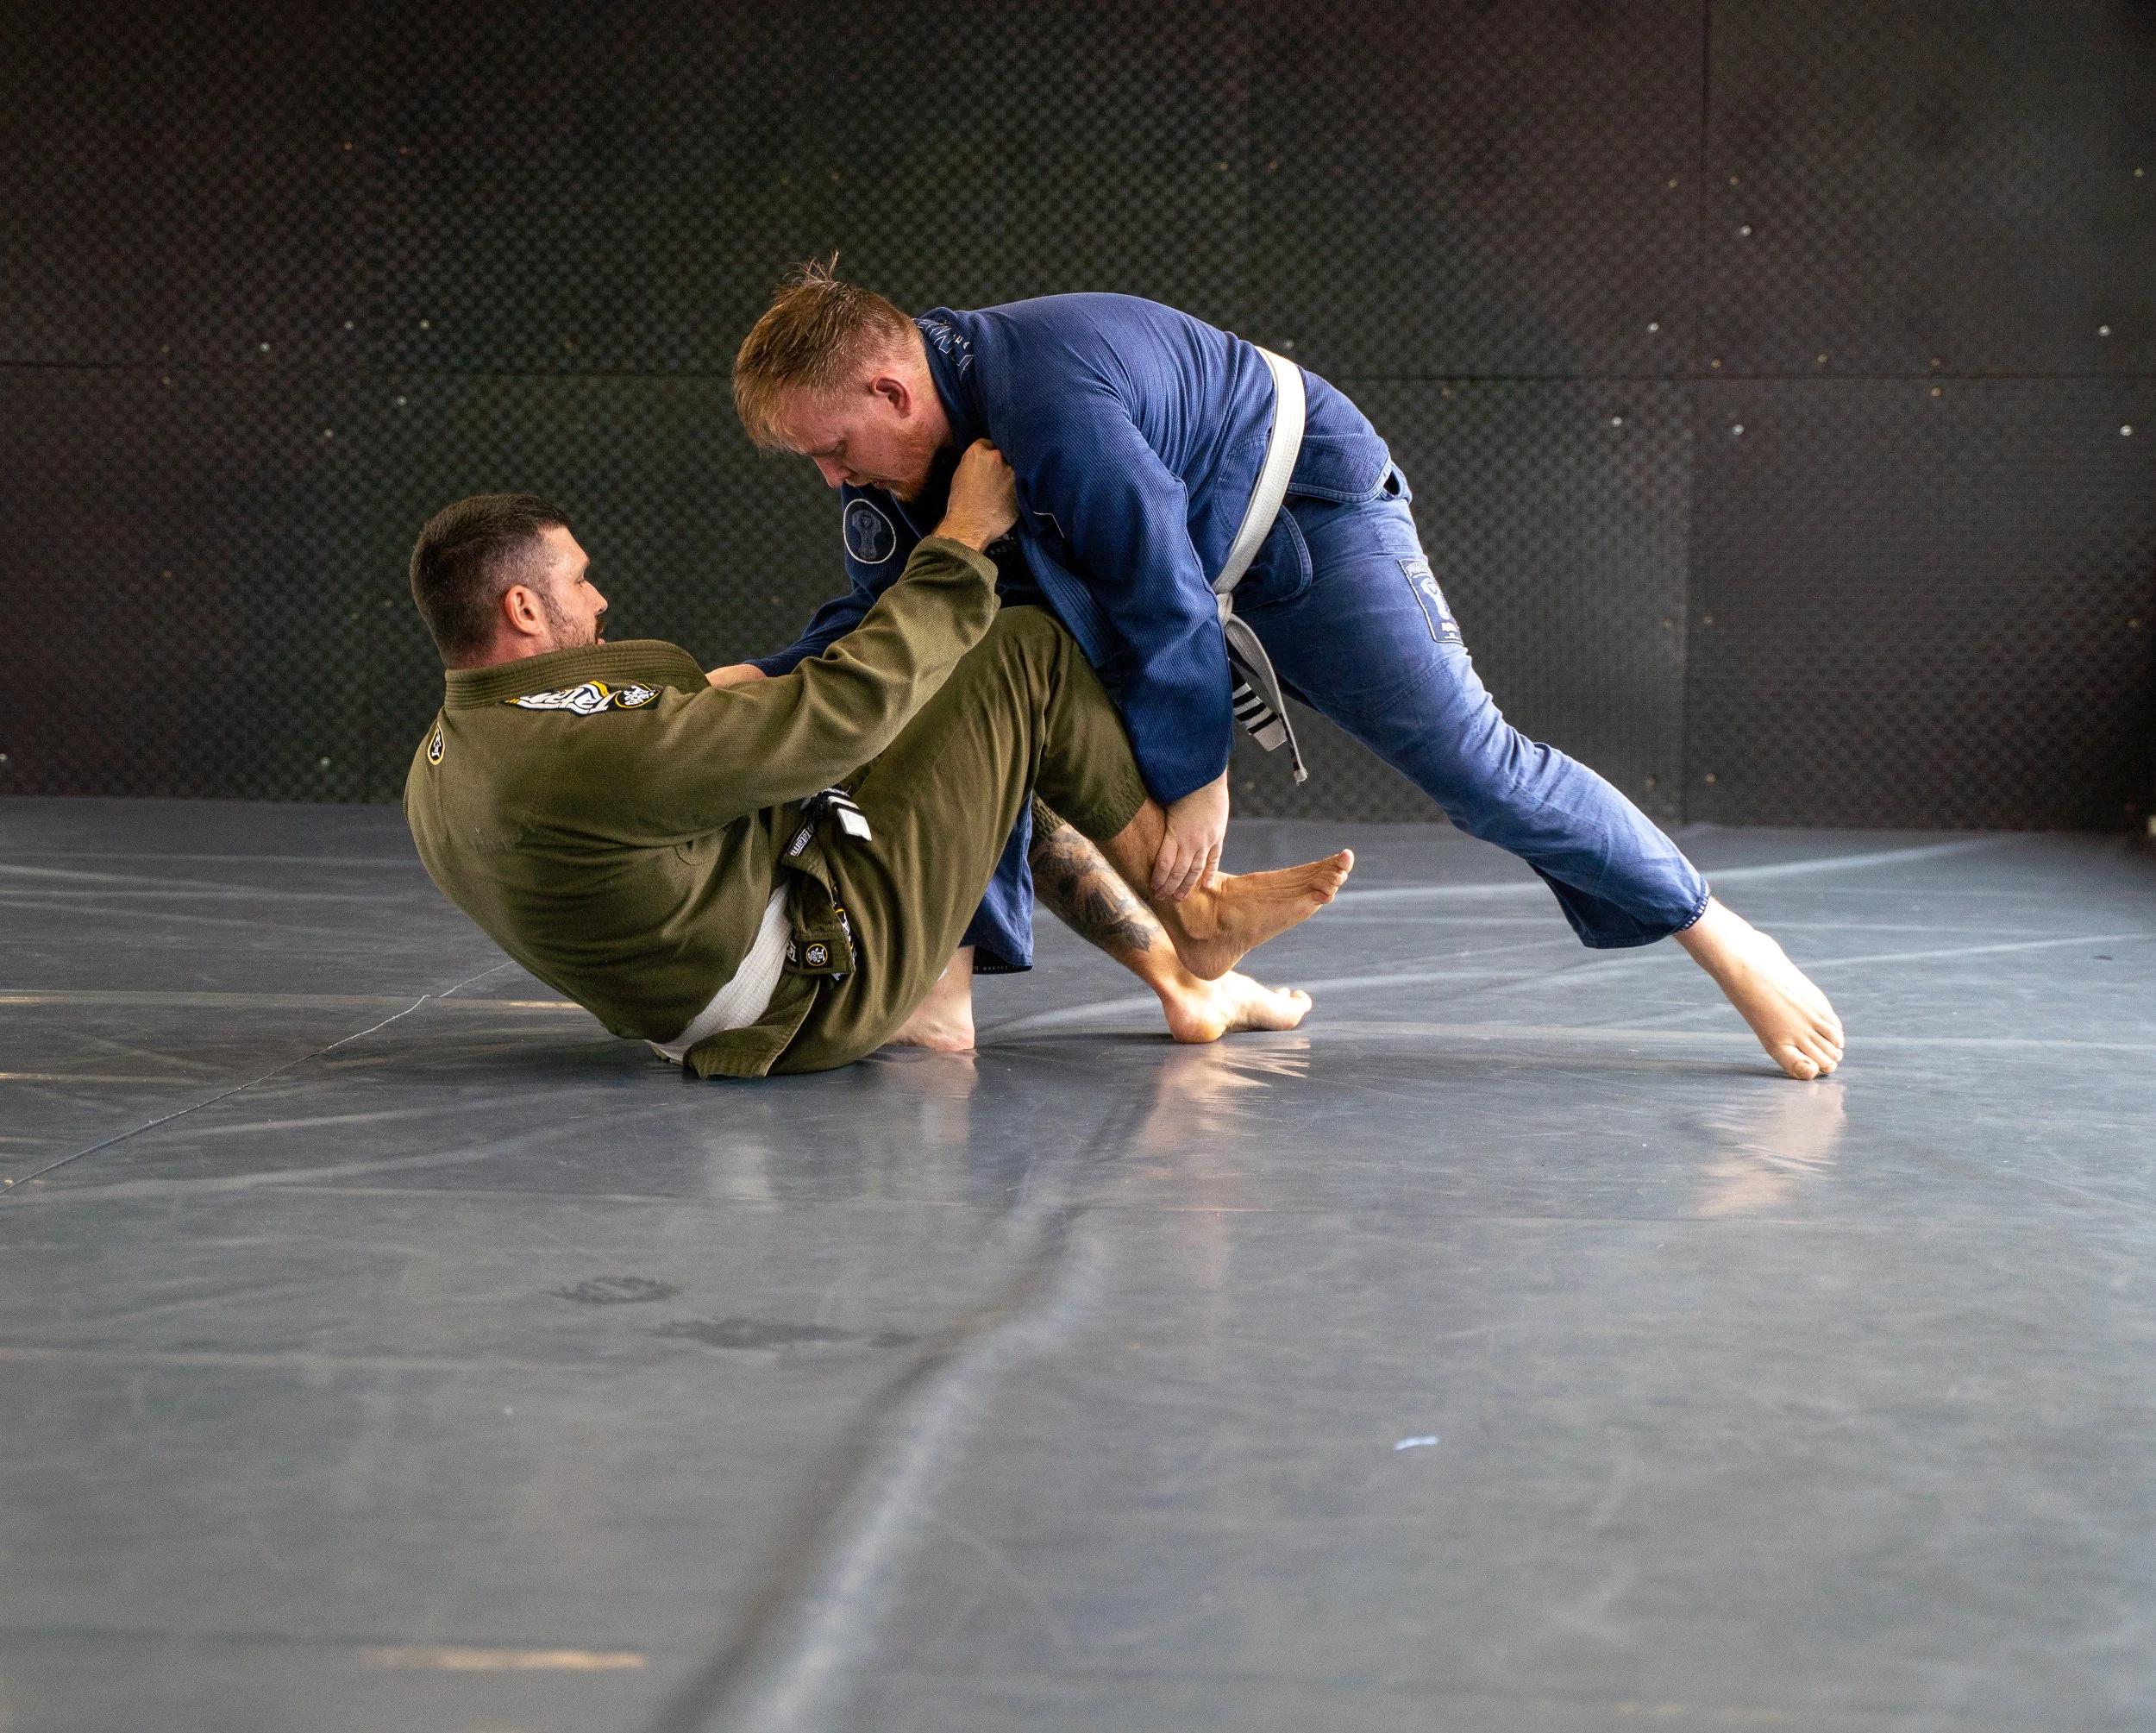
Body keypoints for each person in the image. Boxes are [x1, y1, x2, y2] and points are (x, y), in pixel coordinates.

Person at [718, 266, 1845, 1082]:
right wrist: (752, 681)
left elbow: (1162, 592)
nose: (830, 479)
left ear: (891, 391)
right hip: (1169, 559)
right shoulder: (888, 461)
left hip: (1298, 515)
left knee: (1475, 767)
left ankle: (1714, 927)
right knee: (987, 690)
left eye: (834, 450)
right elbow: (883, 619)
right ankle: (1154, 977)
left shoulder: (1051, 403)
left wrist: (1202, 778)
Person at [400, 442, 1353, 1079]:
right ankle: (1196, 914)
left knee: (955, 714)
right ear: (523, 609)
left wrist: (750, 684)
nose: (599, 599)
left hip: (725, 944)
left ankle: (1184, 979)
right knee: (1016, 655)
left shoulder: (458, 753)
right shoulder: (573, 758)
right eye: (577, 579)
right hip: (808, 989)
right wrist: (961, 538)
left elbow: (664, 743)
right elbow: (841, 714)